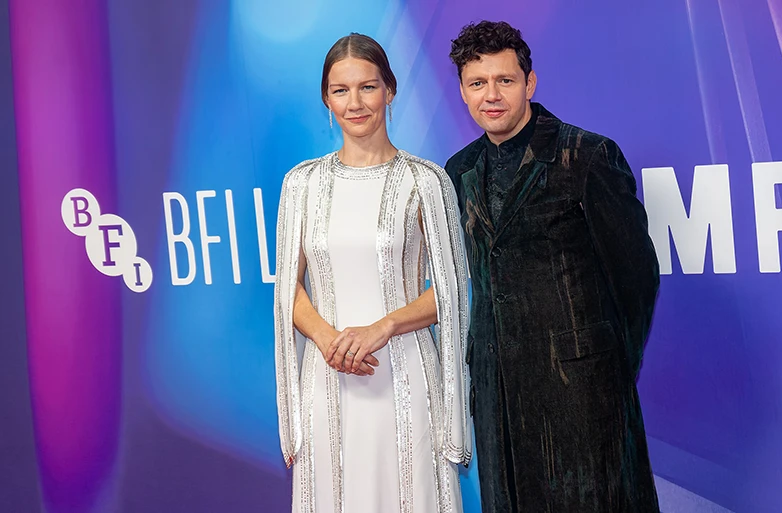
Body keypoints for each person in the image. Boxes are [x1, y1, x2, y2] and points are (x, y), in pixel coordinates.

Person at [445, 21, 661, 512]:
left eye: (505, 80)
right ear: (462, 90)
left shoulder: (586, 155)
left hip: (582, 398)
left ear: (530, 83)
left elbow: (636, 278)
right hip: (498, 397)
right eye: (478, 83)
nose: (492, 95)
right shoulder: (456, 172)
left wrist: (602, 366)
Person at [273, 33, 470, 513]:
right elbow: (288, 286)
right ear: (326, 98)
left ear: (390, 90)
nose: (355, 103)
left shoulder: (426, 181)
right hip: (329, 378)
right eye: (341, 90)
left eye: (368, 87)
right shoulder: (301, 184)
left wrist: (383, 327)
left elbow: (452, 287)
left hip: (404, 377)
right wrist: (328, 341)